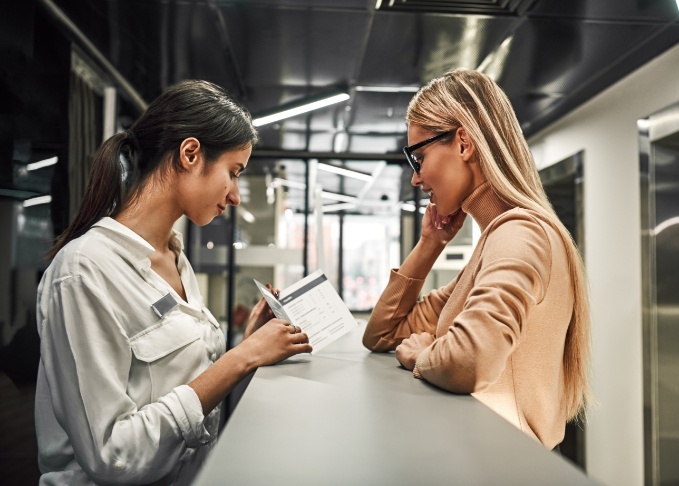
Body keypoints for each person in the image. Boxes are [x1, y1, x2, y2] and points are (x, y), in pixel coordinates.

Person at [35, 80, 312, 485]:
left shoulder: (175, 259)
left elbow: (182, 390)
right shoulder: (83, 271)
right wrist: (242, 358)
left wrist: (248, 347)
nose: (235, 195)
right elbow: (111, 454)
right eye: (232, 173)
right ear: (190, 154)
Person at [362, 69, 591, 450]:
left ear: (464, 143)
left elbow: (471, 360)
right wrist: (430, 244)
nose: (416, 180)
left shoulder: (521, 233)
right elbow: (383, 334)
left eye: (419, 158)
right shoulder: (494, 243)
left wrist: (423, 354)